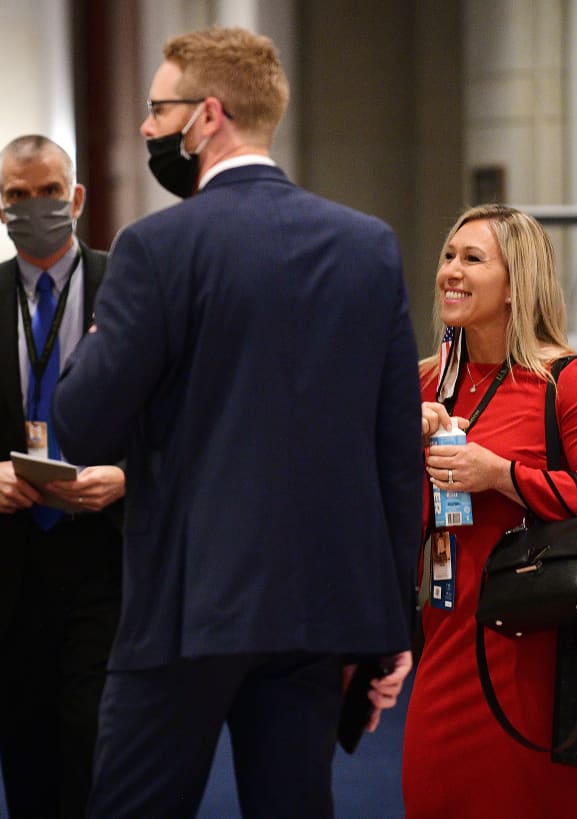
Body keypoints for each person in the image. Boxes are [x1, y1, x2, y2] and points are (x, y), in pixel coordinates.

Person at [50, 27, 423, 819]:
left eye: (159, 109)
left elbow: (81, 427)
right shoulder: (369, 248)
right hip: (320, 609)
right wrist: (393, 624)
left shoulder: (155, 248)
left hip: (188, 605)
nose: (148, 128)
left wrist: (90, 351)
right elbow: (395, 452)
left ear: (208, 115)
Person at [401, 204, 577, 818]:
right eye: (447, 256)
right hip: (442, 645)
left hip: (537, 657)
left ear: (517, 283)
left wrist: (502, 476)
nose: (450, 272)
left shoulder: (568, 379)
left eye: (472, 259)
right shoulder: (424, 383)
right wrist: (396, 451)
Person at [0, 134, 123, 819]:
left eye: (49, 192)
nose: (35, 206)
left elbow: (175, 412)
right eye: (19, 196)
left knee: (92, 744)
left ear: (75, 198)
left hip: (104, 552)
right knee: (27, 755)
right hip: (6, 561)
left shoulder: (126, 287)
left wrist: (125, 475)